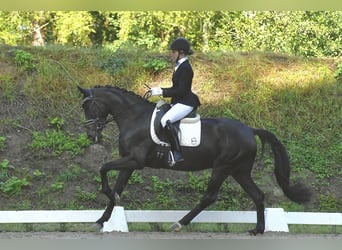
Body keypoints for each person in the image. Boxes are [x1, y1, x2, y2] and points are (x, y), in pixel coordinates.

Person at [149, 37, 201, 165]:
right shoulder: (180, 66)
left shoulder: (186, 68)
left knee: (165, 121)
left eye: (173, 52)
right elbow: (175, 89)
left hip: (186, 102)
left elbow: (181, 91)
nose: (171, 54)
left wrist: (161, 91)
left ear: (181, 53)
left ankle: (177, 153)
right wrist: (159, 90)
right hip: (178, 100)